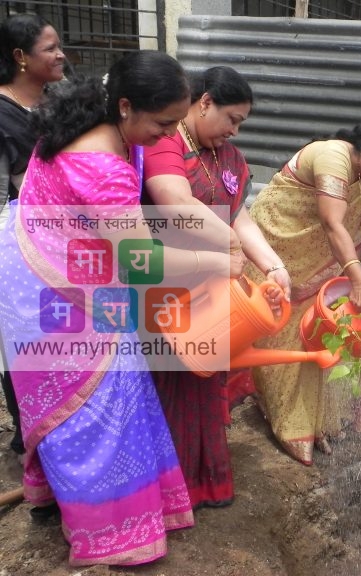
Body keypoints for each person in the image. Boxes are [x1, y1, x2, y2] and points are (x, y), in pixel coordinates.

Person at [0, 50, 243, 566]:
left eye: (178, 123)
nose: (169, 136)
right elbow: (139, 262)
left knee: (118, 382)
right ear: (126, 106)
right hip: (52, 284)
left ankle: (55, 498)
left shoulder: (103, 120)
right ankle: (108, 525)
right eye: (163, 124)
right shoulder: (100, 162)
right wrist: (212, 261)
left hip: (72, 267)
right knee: (95, 401)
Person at [142, 65, 291, 508]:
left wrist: (273, 265)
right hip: (168, 286)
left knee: (205, 386)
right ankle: (164, 491)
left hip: (214, 292)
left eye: (241, 123)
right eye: (232, 118)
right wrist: (225, 240)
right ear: (204, 102)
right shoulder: (165, 143)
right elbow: (173, 202)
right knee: (171, 385)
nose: (235, 129)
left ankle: (202, 483)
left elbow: (239, 217)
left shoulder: (230, 160)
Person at [246, 114, 361, 466]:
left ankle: (319, 419)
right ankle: (289, 420)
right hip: (279, 252)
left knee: (322, 336)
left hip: (325, 266)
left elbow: (351, 226)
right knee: (283, 336)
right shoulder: (333, 156)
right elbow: (332, 223)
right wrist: (359, 280)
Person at [0, 13, 67, 461]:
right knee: (22, 341)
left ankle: (60, 424)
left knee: (59, 336)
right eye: (50, 49)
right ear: (20, 57)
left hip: (60, 243)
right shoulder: (3, 117)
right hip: (18, 246)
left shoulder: (58, 102)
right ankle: (31, 438)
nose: (61, 55)